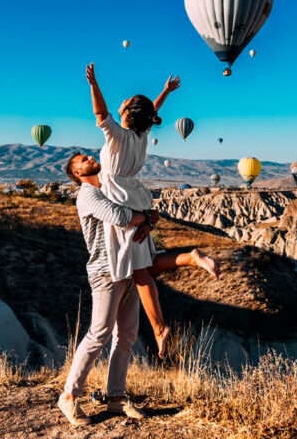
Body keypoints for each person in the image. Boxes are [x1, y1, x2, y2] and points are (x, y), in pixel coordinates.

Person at [85, 63, 220, 359]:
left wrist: (94, 84)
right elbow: (150, 112)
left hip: (119, 200)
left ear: (127, 113)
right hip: (136, 197)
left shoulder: (117, 135)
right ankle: (190, 257)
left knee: (138, 271)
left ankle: (159, 329)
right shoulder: (142, 136)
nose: (119, 104)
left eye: (124, 103)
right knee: (145, 265)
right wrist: (165, 93)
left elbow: (100, 113)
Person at [57, 151, 152, 426]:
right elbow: (119, 216)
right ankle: (69, 396)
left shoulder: (110, 189)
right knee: (99, 333)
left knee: (127, 336)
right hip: (105, 272)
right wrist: (145, 216)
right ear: (77, 173)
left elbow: (140, 209)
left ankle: (115, 398)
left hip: (129, 268)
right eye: (82, 159)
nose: (89, 157)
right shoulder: (87, 194)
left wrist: (147, 218)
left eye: (88, 155)